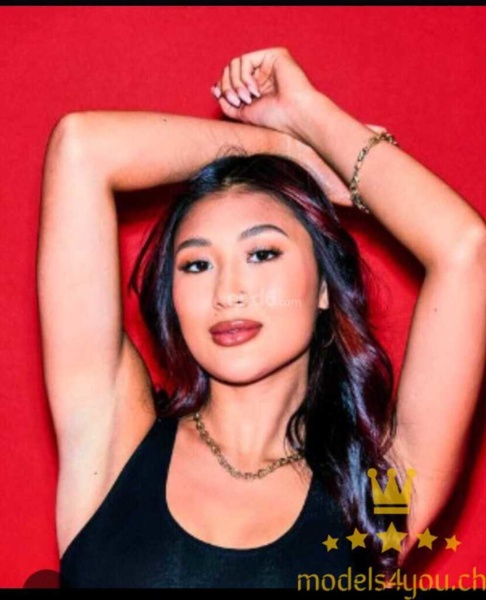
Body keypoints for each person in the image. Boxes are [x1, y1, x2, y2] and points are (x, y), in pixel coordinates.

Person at [36, 47, 486, 589]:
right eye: (197, 264)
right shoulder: (115, 441)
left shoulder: (377, 490)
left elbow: (466, 249)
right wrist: (285, 151)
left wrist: (310, 114)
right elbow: (81, 148)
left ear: (324, 287)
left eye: (263, 253)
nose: (228, 292)